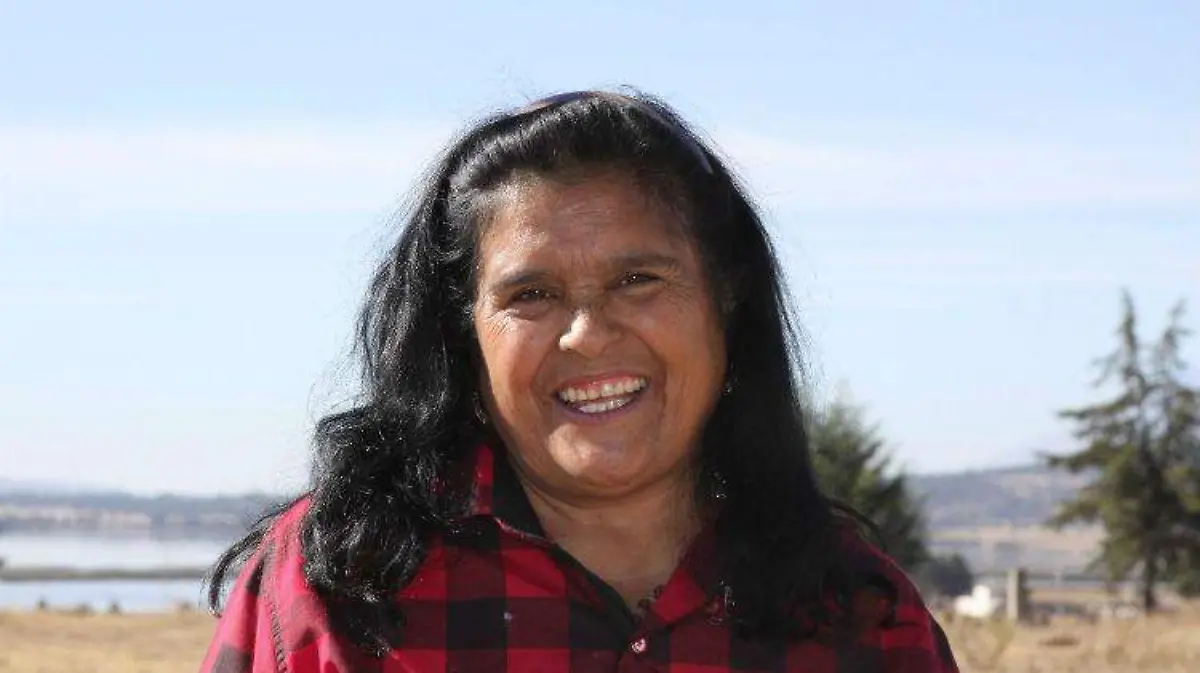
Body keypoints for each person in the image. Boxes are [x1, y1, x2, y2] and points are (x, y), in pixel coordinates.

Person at [199, 89, 959, 673]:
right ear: (464, 333)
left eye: (638, 279)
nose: (587, 333)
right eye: (531, 294)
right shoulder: (336, 585)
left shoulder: (858, 617)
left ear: (728, 299)